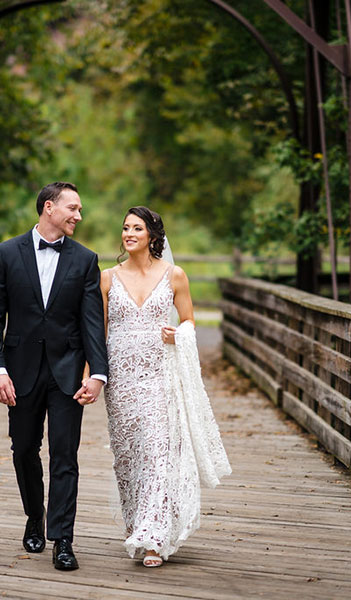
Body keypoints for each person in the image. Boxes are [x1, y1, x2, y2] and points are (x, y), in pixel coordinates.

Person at [0, 182, 108, 571]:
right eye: (73, 208)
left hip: (68, 372)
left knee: (65, 457)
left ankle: (63, 540)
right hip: (19, 372)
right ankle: (34, 515)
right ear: (49, 208)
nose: (78, 216)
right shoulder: (4, 254)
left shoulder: (86, 260)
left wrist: (98, 373)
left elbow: (91, 322)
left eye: (80, 209)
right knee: (23, 451)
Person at [97, 206, 231, 568]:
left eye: (136, 228)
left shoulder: (175, 276)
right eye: (125, 228)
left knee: (158, 456)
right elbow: (98, 333)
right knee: (129, 459)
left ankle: (154, 538)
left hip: (159, 377)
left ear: (153, 236)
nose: (128, 233)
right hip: (122, 382)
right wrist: (92, 376)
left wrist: (179, 336)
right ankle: (136, 523)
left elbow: (189, 322)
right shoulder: (107, 278)